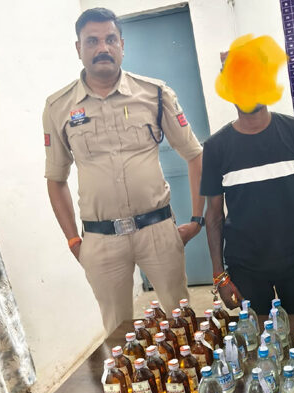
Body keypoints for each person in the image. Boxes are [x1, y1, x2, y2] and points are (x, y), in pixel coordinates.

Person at [43, 8, 205, 335]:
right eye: (92, 41)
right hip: (101, 240)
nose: (102, 47)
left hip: (157, 230)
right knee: (118, 331)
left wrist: (197, 219)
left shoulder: (155, 94)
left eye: (110, 39)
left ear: (122, 45)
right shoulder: (58, 107)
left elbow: (194, 154)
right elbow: (56, 179)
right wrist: (74, 240)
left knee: (181, 321)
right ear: (78, 48)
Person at [201, 36, 294, 315]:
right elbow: (214, 215)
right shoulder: (214, 148)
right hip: (244, 269)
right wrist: (219, 275)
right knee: (257, 336)